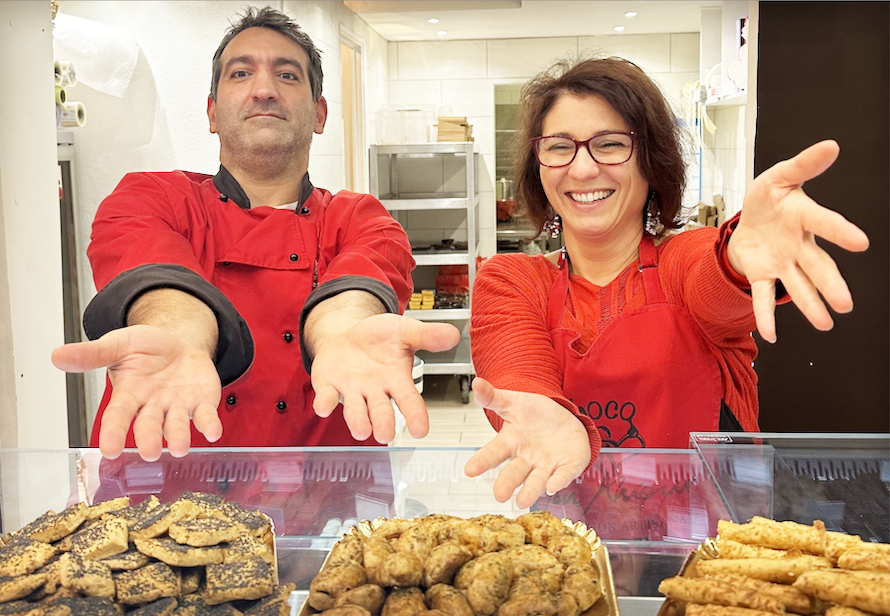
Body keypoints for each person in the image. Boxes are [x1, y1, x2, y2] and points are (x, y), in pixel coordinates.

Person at [51, 7, 459, 462]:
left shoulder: (360, 217)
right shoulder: (151, 198)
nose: (263, 90)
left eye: (287, 76)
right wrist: (178, 334)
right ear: (212, 112)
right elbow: (158, 280)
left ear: (319, 113)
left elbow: (357, 291)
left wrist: (344, 331)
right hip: (163, 493)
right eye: (241, 73)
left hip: (324, 506)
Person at [466, 56, 870, 509]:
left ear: (651, 161)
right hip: (574, 555)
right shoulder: (513, 280)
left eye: (611, 144)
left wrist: (737, 256)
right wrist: (542, 410)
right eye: (560, 147)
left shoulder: (683, 261)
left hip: (714, 555)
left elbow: (716, 279)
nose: (581, 169)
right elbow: (516, 368)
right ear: (538, 167)